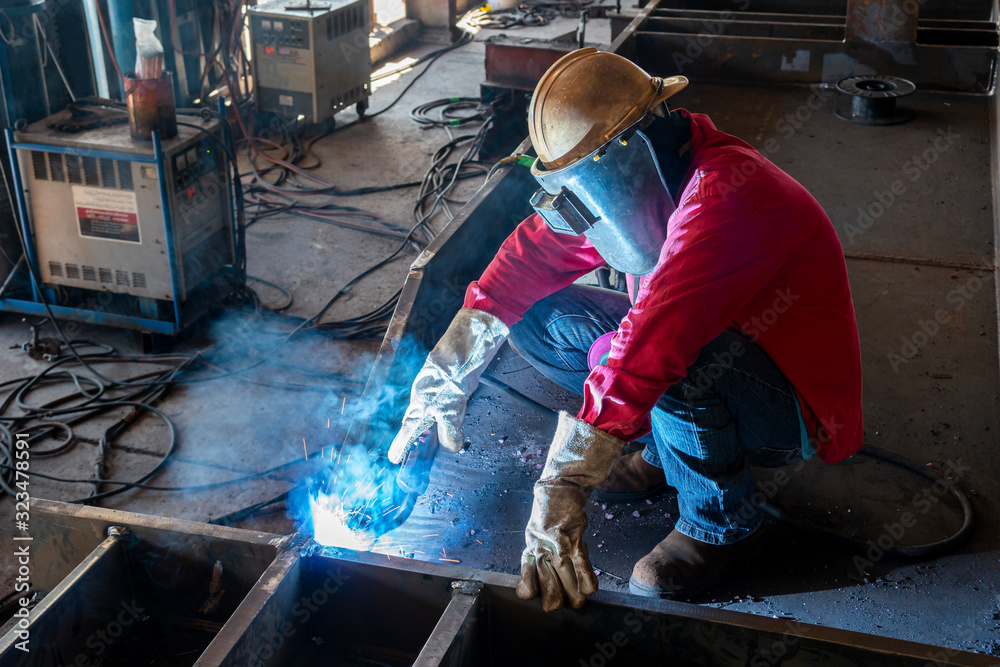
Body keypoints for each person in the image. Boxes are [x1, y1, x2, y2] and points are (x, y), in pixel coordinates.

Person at [387, 48, 863, 612]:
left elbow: (653, 345)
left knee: (675, 357)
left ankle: (724, 524)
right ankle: (668, 454)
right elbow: (531, 258)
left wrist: (562, 484)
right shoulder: (644, 179)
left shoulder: (729, 195)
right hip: (700, 347)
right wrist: (449, 371)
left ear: (630, 151)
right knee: (537, 319)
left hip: (787, 408)